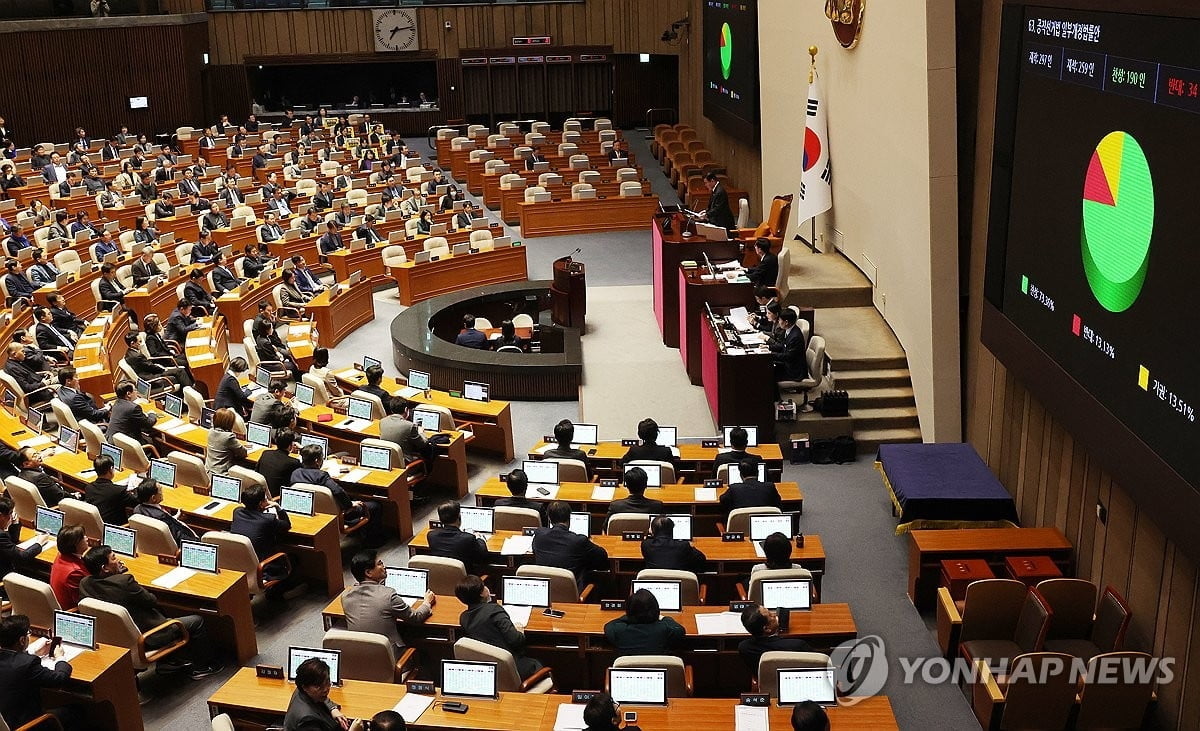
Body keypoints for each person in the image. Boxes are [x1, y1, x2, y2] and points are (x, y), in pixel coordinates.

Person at [79, 545, 224, 679]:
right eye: (114, 558)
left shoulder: (85, 584)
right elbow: (151, 600)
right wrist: (126, 580)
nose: (118, 560)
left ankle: (171, 661)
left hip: (116, 639)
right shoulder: (124, 583)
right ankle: (205, 666)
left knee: (163, 613)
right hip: (149, 636)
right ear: (105, 568)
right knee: (197, 620)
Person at [290, 444, 384, 545]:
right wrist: (350, 505)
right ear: (317, 461)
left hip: (313, 515)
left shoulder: (295, 473)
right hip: (339, 515)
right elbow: (338, 491)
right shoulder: (321, 475)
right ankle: (373, 542)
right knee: (375, 506)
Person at [455, 575, 544, 679]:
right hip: (511, 667)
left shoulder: (463, 618)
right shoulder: (494, 610)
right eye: (484, 586)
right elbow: (516, 640)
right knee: (537, 663)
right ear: (482, 593)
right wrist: (519, 630)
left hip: (488, 670)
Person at [0, 615, 79, 730]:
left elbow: (15, 662)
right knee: (76, 710)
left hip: (6, 720)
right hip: (25, 726)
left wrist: (33, 652)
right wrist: (60, 658)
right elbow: (60, 679)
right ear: (22, 640)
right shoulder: (28, 664)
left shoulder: (21, 660)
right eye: (28, 633)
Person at [342, 550, 435, 648]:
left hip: (358, 653)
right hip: (387, 654)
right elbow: (416, 617)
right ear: (368, 572)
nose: (384, 566)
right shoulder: (389, 595)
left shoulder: (345, 596)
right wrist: (427, 602)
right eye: (380, 564)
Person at [231, 483, 296, 595]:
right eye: (265, 499)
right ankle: (277, 593)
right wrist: (278, 507)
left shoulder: (237, 512)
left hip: (241, 565)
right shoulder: (267, 520)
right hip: (264, 567)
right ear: (261, 504)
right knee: (293, 558)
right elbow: (286, 525)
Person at [532, 501, 609, 585]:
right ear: (569, 517)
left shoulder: (539, 535)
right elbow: (603, 557)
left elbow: (535, 551)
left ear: (549, 519)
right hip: (571, 593)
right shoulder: (579, 540)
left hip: (546, 590)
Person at [603, 588, 685, 656]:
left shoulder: (620, 630)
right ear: (656, 609)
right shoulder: (664, 629)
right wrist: (664, 618)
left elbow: (609, 625)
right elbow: (680, 629)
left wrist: (628, 617)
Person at [738, 602, 817, 672]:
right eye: (770, 615)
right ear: (767, 629)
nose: (774, 614)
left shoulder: (744, 648)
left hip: (766, 682)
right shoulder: (797, 645)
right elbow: (819, 662)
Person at [283, 657, 348, 730]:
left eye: (327, 682)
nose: (326, 689)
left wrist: (333, 709)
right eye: (319, 686)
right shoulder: (307, 720)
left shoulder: (303, 690)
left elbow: (324, 698)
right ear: (305, 687)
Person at [131, 478, 198, 546]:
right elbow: (178, 536)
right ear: (153, 498)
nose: (162, 493)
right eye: (160, 491)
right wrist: (196, 541)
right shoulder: (161, 517)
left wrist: (174, 518)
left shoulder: (137, 509)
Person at [426, 502, 489, 570]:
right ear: (459, 518)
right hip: (464, 578)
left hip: (441, 575)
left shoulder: (431, 535)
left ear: (440, 519)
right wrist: (480, 538)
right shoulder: (468, 538)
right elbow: (483, 556)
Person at [0, 496, 45, 586]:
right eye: (10, 513)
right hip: (5, 579)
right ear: (1, 516)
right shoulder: (1, 536)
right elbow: (22, 557)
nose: (11, 516)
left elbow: (13, 541)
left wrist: (15, 523)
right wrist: (39, 543)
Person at [642, 515, 707, 573]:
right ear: (672, 530)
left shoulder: (646, 545)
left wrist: (650, 533)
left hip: (654, 580)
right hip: (680, 582)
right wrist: (692, 547)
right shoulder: (683, 545)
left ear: (652, 531)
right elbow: (701, 558)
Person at [84, 454, 136, 525]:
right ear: (111, 470)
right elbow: (136, 502)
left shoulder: (89, 488)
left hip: (96, 525)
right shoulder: (118, 491)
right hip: (117, 527)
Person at [378, 396, 432, 464]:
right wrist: (421, 432)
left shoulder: (382, 421)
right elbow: (423, 444)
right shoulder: (409, 425)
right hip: (404, 462)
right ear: (406, 409)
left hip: (387, 460)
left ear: (391, 410)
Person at [719, 457, 783, 511]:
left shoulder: (734, 488)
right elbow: (778, 505)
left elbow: (722, 500)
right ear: (758, 473)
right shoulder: (770, 487)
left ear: (741, 475)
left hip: (740, 525)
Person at [49, 525, 90, 609]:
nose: (87, 538)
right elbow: (83, 601)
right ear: (75, 545)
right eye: (83, 537)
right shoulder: (74, 573)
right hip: (72, 612)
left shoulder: (60, 556)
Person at [108, 381, 159, 446]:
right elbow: (148, 423)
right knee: (155, 442)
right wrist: (152, 414)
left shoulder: (116, 403)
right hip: (126, 444)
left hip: (113, 440)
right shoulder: (134, 408)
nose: (137, 392)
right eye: (135, 390)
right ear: (128, 394)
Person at [258, 427, 301, 497]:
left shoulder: (266, 453)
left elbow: (257, 472)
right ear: (291, 446)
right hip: (278, 497)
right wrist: (302, 449)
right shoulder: (293, 462)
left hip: (261, 494)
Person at [770, 308, 808, 382]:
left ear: (786, 322)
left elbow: (788, 356)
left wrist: (770, 354)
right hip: (788, 364)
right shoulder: (788, 330)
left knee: (768, 373)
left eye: (780, 320)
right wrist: (768, 347)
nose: (778, 322)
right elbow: (782, 345)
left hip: (793, 371)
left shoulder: (795, 336)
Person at [205, 407, 247, 475]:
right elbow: (243, 453)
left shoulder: (211, 431)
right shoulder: (228, 437)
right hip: (221, 474)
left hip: (208, 471)